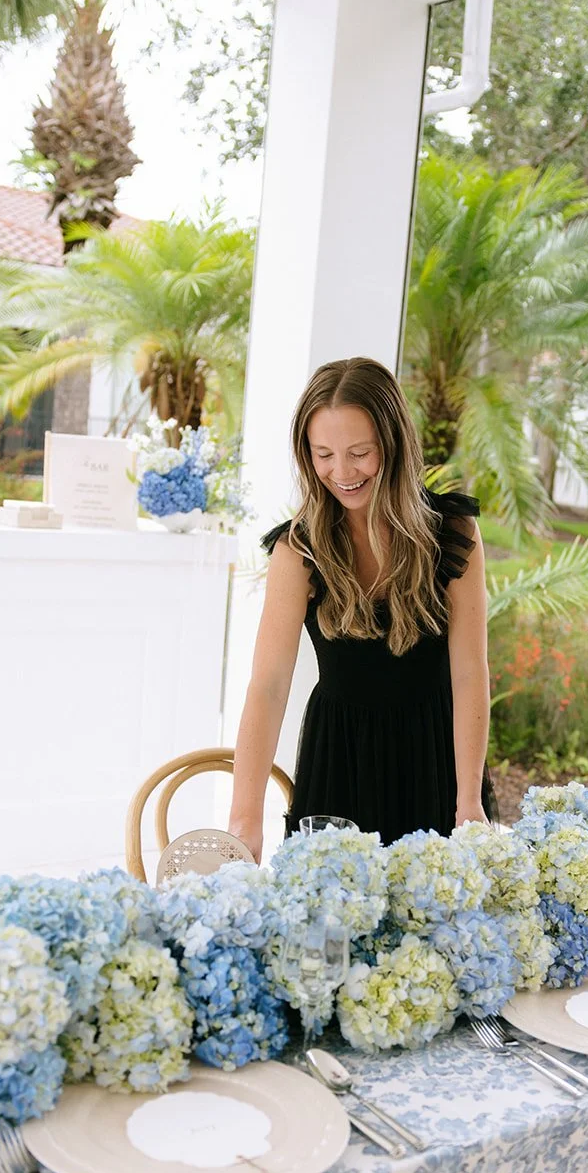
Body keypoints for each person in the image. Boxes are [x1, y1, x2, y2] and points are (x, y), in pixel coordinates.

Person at [228, 356, 496, 862]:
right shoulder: (298, 551)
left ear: (393, 446)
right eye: (323, 454)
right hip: (339, 762)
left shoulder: (453, 533)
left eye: (359, 453)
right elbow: (268, 686)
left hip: (436, 759)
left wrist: (468, 801)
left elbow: (469, 672)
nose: (342, 472)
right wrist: (245, 818)